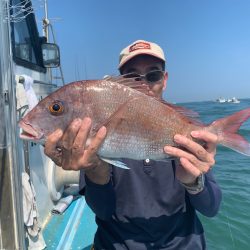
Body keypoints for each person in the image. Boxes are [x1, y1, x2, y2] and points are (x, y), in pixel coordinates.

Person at [44, 40, 222, 250]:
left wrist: (193, 181)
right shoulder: (94, 133)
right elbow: (103, 211)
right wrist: (94, 167)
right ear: (120, 82)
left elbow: (211, 208)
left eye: (153, 75)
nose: (144, 85)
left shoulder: (182, 130)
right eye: (132, 77)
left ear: (164, 80)